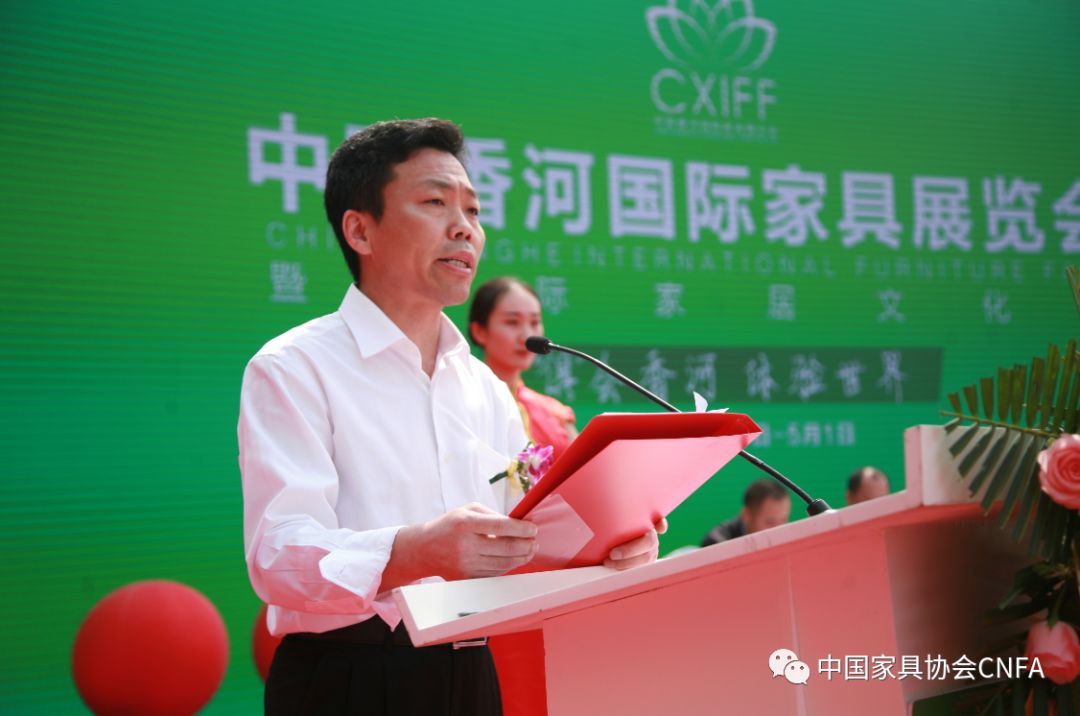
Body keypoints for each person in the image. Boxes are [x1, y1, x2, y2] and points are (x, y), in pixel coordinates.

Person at [238, 118, 664, 715]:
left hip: (472, 671)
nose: (464, 227)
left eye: (474, 210)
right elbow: (278, 554)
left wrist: (604, 544)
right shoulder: (295, 367)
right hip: (350, 676)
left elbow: (523, 537)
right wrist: (416, 551)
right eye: (435, 202)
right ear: (360, 230)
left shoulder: (486, 389)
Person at [468, 276, 577, 460]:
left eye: (534, 322)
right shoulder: (460, 405)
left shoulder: (555, 415)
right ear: (479, 331)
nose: (527, 336)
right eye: (512, 322)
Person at [700, 479, 791, 547]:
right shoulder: (716, 544)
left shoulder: (789, 541)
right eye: (770, 522)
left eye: (783, 520)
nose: (778, 529)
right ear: (746, 515)